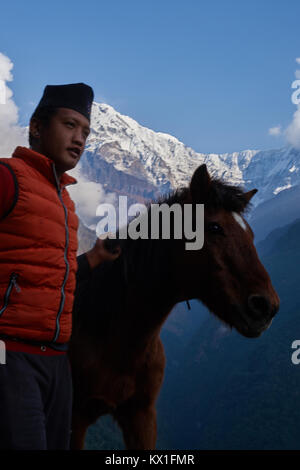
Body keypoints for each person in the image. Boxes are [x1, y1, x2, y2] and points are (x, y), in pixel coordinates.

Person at [0, 82, 120, 449]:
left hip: (56, 362)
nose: (79, 139)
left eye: (85, 131)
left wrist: (96, 258)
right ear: (37, 126)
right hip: (11, 358)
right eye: (69, 125)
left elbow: (53, 275)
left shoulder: (65, 202)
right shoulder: (7, 178)